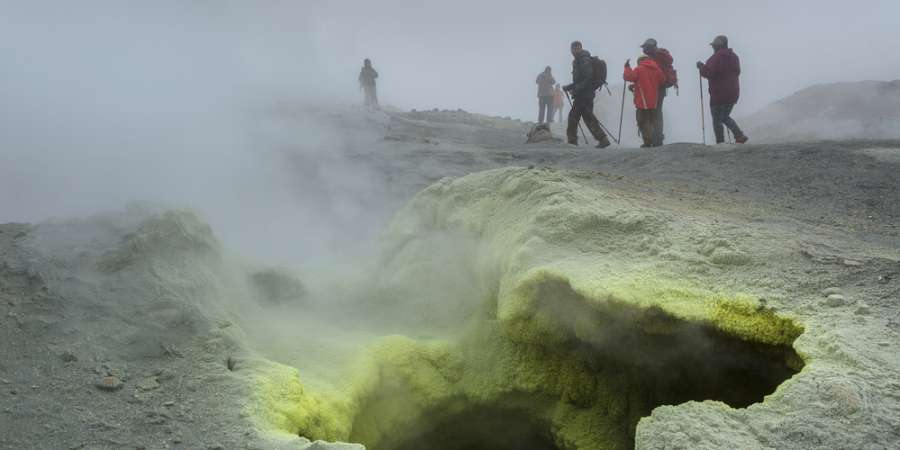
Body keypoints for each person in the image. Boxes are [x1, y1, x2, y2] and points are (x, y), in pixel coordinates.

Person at [697, 35, 748, 144]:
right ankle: (739, 136)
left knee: (717, 119)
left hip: (718, 94)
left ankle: (721, 142)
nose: (713, 48)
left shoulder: (715, 58)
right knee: (724, 116)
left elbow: (709, 73)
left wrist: (701, 67)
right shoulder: (734, 56)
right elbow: (737, 71)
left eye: (714, 46)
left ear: (717, 46)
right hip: (733, 92)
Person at [562, 41, 611, 148]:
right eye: (572, 49)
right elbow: (579, 80)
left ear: (580, 48)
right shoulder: (578, 60)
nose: (574, 51)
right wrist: (569, 87)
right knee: (587, 118)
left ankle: (572, 141)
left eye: (576, 48)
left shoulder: (584, 59)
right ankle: (602, 139)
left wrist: (575, 90)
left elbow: (588, 78)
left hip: (584, 95)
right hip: (584, 94)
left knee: (573, 117)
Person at [640, 38, 677, 146]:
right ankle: (656, 138)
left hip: (657, 88)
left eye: (645, 47)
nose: (644, 49)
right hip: (659, 87)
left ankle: (656, 139)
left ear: (651, 47)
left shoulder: (657, 56)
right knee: (656, 112)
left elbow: (652, 74)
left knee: (654, 113)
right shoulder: (659, 55)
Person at [623, 56, 666, 148]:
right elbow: (662, 80)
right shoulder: (656, 69)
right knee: (652, 121)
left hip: (642, 101)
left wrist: (627, 67)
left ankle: (647, 142)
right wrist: (636, 85)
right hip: (654, 100)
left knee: (642, 121)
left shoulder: (639, 69)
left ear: (641, 61)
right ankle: (656, 141)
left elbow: (629, 77)